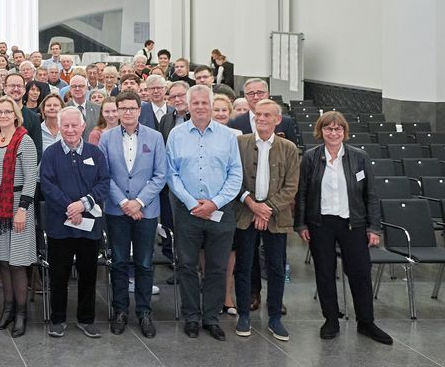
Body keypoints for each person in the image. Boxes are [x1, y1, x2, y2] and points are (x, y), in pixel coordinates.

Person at [295, 111, 392, 345]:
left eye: (338, 129)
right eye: (328, 128)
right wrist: (301, 224)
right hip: (321, 224)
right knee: (325, 272)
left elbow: (372, 195)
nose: (333, 132)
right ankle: (331, 319)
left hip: (353, 223)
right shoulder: (310, 157)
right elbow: (303, 194)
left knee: (360, 273)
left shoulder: (359, 157)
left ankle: (366, 322)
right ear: (321, 131)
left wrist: (374, 228)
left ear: (345, 132)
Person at [166, 84, 242, 340]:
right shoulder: (176, 135)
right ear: (188, 105)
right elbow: (171, 174)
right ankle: (191, 317)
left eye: (204, 102)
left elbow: (235, 174)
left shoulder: (228, 136)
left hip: (220, 212)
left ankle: (210, 317)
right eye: (195, 103)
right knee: (187, 265)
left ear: (211, 105)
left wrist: (215, 203)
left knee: (217, 267)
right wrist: (191, 203)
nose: (200, 106)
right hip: (187, 212)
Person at [98, 90, 167, 338]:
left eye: (132, 108)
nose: (127, 112)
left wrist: (138, 202)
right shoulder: (106, 138)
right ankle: (120, 311)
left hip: (146, 211)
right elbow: (104, 175)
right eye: (122, 108)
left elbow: (161, 175)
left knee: (145, 263)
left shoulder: (155, 137)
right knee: (118, 262)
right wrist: (124, 203)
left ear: (139, 110)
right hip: (116, 211)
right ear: (116, 111)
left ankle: (144, 312)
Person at [231, 99, 299, 341]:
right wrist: (252, 205)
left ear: (277, 120)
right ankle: (243, 315)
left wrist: (266, 209)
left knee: (276, 267)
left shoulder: (288, 148)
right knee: (244, 266)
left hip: (276, 216)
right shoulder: (240, 143)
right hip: (245, 213)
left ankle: (275, 318)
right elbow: (234, 178)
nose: (260, 119)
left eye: (266, 115)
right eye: (257, 115)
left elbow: (291, 187)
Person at [40, 107, 110, 338]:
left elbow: (103, 183)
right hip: (60, 225)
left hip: (89, 225)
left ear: (83, 127)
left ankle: (86, 319)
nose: (70, 130)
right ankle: (58, 319)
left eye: (74, 125)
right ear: (59, 127)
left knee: (88, 274)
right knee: (58, 275)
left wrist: (83, 205)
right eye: (65, 126)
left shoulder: (95, 153)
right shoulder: (50, 154)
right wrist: (70, 208)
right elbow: (47, 185)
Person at [0, 96, 38, 337]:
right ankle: (6, 311)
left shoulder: (24, 141)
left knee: (17, 263)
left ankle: (21, 315)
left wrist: (22, 210)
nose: (3, 115)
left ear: (16, 114)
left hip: (17, 206)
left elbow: (31, 179)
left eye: (7, 111)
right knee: (2, 261)